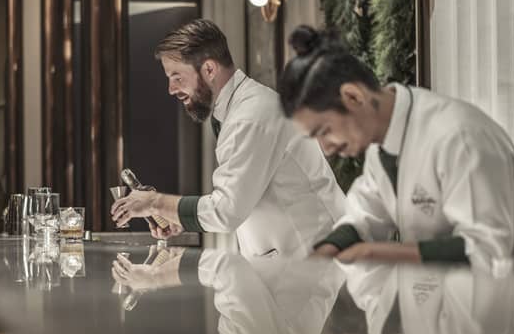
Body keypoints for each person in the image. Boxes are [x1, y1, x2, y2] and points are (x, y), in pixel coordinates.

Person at [277, 25, 514, 334]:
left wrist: (378, 254)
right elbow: (362, 217)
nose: (327, 148)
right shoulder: (382, 152)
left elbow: (488, 249)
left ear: (352, 96)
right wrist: (323, 254)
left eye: (323, 131)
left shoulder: (455, 135)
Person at [110, 19, 345, 258]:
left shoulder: (252, 116)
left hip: (313, 266)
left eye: (177, 77)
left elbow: (227, 210)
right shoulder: (238, 110)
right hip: (294, 262)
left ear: (209, 70)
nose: (171, 89)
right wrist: (179, 216)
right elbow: (244, 195)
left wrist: (155, 203)